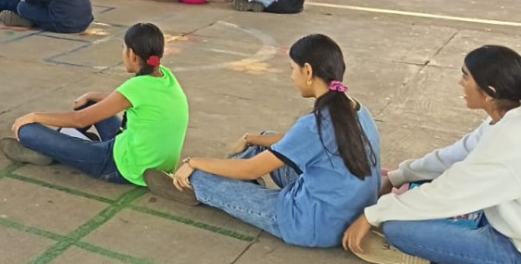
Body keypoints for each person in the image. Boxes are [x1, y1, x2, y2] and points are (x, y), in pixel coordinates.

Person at [342, 45, 521, 264]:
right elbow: (452, 157)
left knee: (398, 228)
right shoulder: (511, 119)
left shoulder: (512, 141)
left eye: (466, 76)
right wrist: (400, 175)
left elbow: (449, 190)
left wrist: (372, 215)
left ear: (489, 91)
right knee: (415, 194)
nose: (459, 82)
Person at [154, 34, 381, 251]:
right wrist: (251, 138)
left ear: (308, 71)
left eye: (292, 69)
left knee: (202, 176)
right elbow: (297, 140)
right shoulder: (355, 108)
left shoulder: (315, 124)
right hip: (349, 211)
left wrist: (193, 161)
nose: (291, 76)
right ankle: (232, 182)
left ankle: (191, 185)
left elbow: (251, 168)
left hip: (312, 223)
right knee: (264, 142)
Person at [2, 22, 188, 184]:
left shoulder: (136, 86)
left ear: (132, 54)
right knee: (90, 102)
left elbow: (79, 120)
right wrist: (94, 95)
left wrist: (34, 116)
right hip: (153, 160)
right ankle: (58, 149)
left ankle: (48, 151)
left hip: (123, 167)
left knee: (27, 130)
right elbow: (130, 101)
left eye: (123, 48)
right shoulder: (164, 75)